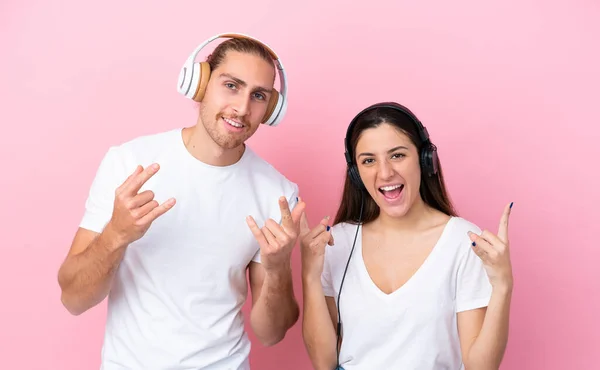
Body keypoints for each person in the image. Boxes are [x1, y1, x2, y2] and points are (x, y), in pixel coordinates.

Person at [57, 33, 304, 370]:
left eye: (258, 96)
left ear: (270, 109)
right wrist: (116, 233)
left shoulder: (277, 194)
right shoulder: (129, 163)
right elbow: (73, 299)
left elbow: (271, 334)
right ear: (199, 83)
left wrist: (277, 271)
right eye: (231, 85)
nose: (242, 108)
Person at [300, 102, 514, 370]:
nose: (385, 172)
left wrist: (502, 285)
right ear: (355, 173)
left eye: (397, 155)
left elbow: (480, 367)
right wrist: (309, 276)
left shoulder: (463, 241)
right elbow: (324, 362)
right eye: (368, 161)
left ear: (425, 159)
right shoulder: (337, 242)